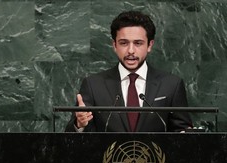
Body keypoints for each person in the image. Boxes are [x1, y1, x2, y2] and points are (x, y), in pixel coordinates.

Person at [65, 10, 193, 132]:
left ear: (149, 45)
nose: (131, 51)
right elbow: (70, 136)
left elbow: (183, 132)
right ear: (114, 45)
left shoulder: (171, 85)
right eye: (124, 43)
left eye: (138, 43)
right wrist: (79, 124)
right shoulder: (93, 85)